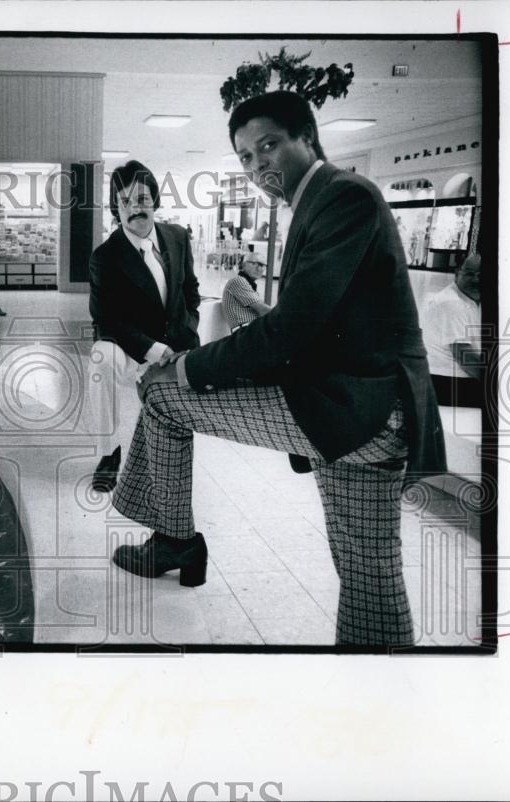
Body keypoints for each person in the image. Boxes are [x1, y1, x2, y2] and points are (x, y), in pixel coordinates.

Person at [110, 91, 446, 646]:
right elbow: (312, 323)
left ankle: (172, 537)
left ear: (307, 139)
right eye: (244, 156)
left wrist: (191, 366)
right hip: (365, 410)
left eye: (268, 145)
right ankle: (385, 690)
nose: (257, 164)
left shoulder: (344, 198)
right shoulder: (323, 200)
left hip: (352, 409)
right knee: (368, 572)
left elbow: (290, 332)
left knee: (162, 396)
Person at [87, 160, 201, 493]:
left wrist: (187, 328)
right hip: (129, 348)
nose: (134, 208)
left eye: (142, 199)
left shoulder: (178, 237)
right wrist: (152, 348)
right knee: (99, 358)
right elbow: (105, 319)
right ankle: (108, 454)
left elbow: (190, 290)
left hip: (176, 342)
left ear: (154, 200)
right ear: (116, 209)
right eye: (124, 202)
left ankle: (165, 458)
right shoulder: (105, 257)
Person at [423, 253, 483, 407]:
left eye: (481, 274)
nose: (476, 279)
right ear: (457, 274)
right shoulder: (451, 304)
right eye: (469, 274)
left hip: (457, 379)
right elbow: (465, 359)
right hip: (448, 383)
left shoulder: (470, 298)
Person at [221, 252, 271, 331]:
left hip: (251, 330)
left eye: (263, 266)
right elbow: (262, 310)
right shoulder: (238, 281)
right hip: (245, 331)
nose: (259, 269)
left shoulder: (248, 285)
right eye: (255, 264)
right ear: (243, 265)